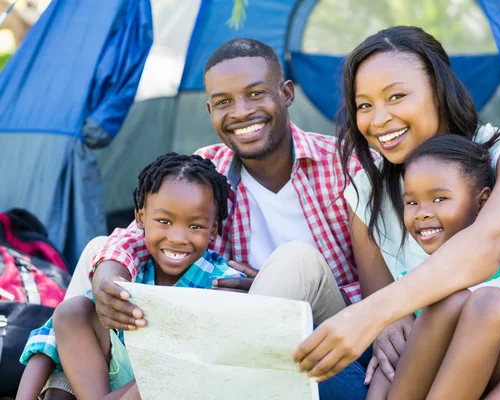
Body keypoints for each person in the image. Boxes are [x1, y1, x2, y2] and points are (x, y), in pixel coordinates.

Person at [43, 39, 372, 400]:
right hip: (228, 335)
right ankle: (65, 392)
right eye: (223, 102)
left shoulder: (347, 163)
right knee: (97, 254)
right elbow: (140, 234)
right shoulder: (208, 169)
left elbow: (388, 284)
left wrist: (277, 292)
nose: (241, 112)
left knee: (295, 260)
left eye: (256, 93)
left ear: (287, 93)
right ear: (210, 110)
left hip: (327, 335)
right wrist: (108, 272)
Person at [294, 26, 500, 400]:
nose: (379, 119)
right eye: (365, 105)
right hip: (440, 378)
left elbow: (491, 244)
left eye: (397, 96)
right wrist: (385, 324)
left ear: (439, 91)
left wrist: (370, 314)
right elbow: (393, 327)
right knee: (296, 362)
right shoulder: (367, 192)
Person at [16, 153, 245, 400]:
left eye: (195, 226)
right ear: (140, 219)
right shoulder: (134, 270)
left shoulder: (220, 283)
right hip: (115, 380)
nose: (178, 238)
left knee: (175, 359)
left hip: (181, 384)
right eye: (164, 221)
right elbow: (51, 335)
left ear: (213, 231)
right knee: (72, 311)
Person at [367, 135, 500, 399]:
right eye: (411, 203)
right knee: (447, 301)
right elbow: (388, 368)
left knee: (491, 303)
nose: (421, 213)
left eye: (439, 199)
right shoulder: (411, 283)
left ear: (482, 202)